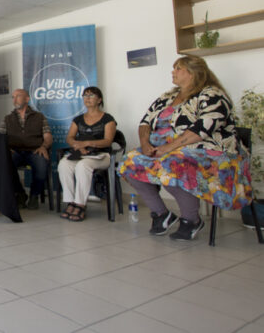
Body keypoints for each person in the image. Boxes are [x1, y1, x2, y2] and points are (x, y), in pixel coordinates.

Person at [120, 55, 252, 240]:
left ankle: (191, 220)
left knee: (173, 164)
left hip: (209, 150)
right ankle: (161, 214)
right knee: (129, 162)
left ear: (193, 73)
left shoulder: (212, 95)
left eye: (178, 68)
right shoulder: (168, 96)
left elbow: (202, 129)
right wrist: (145, 144)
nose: (173, 72)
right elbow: (145, 122)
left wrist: (169, 148)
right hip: (166, 148)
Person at [57, 87, 116, 222]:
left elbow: (108, 141)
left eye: (91, 95)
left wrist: (88, 143)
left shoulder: (108, 119)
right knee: (64, 164)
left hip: (101, 155)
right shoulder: (78, 119)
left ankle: (80, 204)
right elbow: (70, 138)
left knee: (83, 166)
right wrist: (78, 145)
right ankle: (70, 201)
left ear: (99, 100)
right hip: (81, 154)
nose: (87, 98)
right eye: (85, 96)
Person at [1, 88, 53, 210]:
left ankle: (34, 195)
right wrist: (6, 148)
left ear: (27, 99)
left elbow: (48, 136)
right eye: (13, 97)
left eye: (18, 96)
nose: (15, 99)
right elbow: (1, 137)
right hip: (15, 151)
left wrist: (44, 147)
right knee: (5, 164)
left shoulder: (39, 117)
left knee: (42, 165)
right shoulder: (7, 118)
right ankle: (20, 193)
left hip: (35, 150)